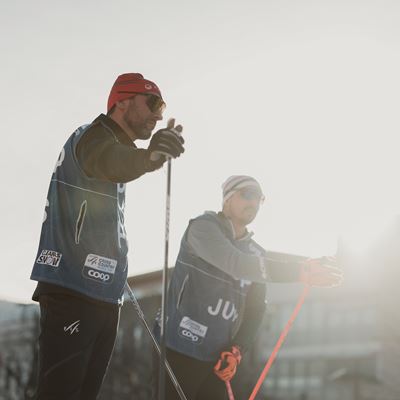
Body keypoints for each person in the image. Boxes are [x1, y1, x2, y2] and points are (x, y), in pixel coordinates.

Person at [30, 72, 185, 400]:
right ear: (122, 102)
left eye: (162, 106)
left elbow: (116, 169)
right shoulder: (91, 137)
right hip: (72, 286)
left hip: (103, 293)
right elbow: (107, 160)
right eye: (152, 103)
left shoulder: (118, 153)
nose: (158, 114)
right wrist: (150, 158)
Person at [153, 175, 342, 400]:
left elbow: (255, 310)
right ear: (227, 199)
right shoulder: (203, 228)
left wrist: (237, 349)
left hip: (216, 358)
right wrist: (299, 271)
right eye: (247, 194)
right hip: (178, 344)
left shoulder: (256, 253)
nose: (253, 203)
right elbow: (235, 263)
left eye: (259, 198)